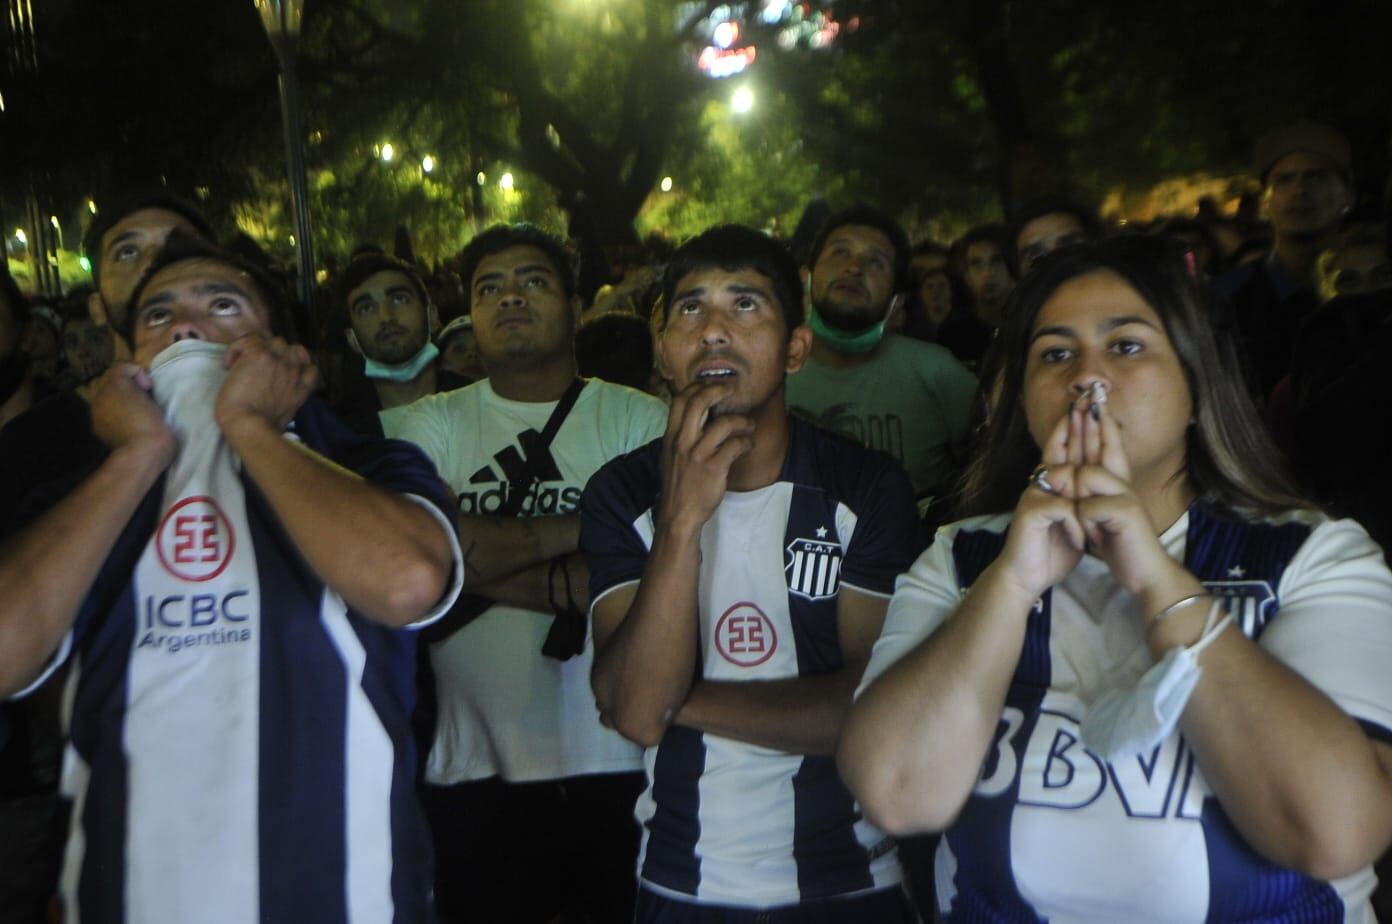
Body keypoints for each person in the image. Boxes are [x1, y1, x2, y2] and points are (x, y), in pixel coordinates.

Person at [839, 236, 1392, 922]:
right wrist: (1013, 581)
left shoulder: (1316, 557)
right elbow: (894, 794)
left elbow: (1338, 831)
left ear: (1196, 387)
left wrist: (1156, 579)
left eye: (1126, 346)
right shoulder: (960, 559)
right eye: (1055, 354)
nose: (1086, 378)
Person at [0, 237, 463, 923]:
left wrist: (248, 425)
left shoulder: (364, 463)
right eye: (158, 317)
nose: (187, 327)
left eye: (222, 305)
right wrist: (137, 456)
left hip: (343, 898)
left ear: (284, 349)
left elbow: (408, 580)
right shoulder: (89, 501)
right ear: (128, 363)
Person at [583, 225, 920, 921]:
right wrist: (680, 524)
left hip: (850, 879)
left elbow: (873, 710)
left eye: (745, 307)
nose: (712, 331)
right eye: (689, 308)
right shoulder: (622, 493)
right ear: (662, 348)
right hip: (682, 880)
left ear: (796, 349)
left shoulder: (866, 487)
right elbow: (637, 714)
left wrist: (669, 698)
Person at [390, 223, 667, 924]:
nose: (510, 297)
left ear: (578, 308)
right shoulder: (425, 424)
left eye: (532, 281)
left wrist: (462, 566)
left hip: (624, 763)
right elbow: (412, 556)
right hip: (472, 768)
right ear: (470, 314)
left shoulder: (638, 417)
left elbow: (654, 576)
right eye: (490, 288)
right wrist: (588, 533)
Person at [786, 205, 978, 506]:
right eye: (840, 253)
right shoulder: (766, 370)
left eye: (875, 262)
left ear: (897, 301)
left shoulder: (939, 373)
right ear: (806, 277)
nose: (854, 267)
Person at [1213, 122, 1353, 401]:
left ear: (1348, 195)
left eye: (1316, 178)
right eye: (1284, 180)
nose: (1300, 190)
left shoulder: (1371, 286)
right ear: (1266, 202)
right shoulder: (1226, 298)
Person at [332, 252, 467, 437]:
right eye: (367, 308)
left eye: (399, 299)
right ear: (351, 339)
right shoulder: (339, 435)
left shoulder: (476, 402)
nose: (386, 317)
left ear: (432, 317)